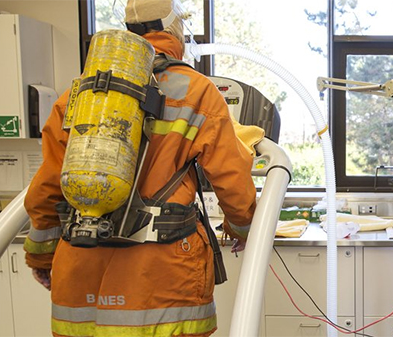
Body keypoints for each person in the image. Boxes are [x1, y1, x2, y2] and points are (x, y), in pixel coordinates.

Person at [22, 0, 257, 336]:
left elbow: (46, 188)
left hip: (80, 270)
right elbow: (232, 179)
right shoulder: (197, 92)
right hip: (163, 276)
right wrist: (245, 230)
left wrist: (42, 259)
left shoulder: (80, 94)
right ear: (175, 28)